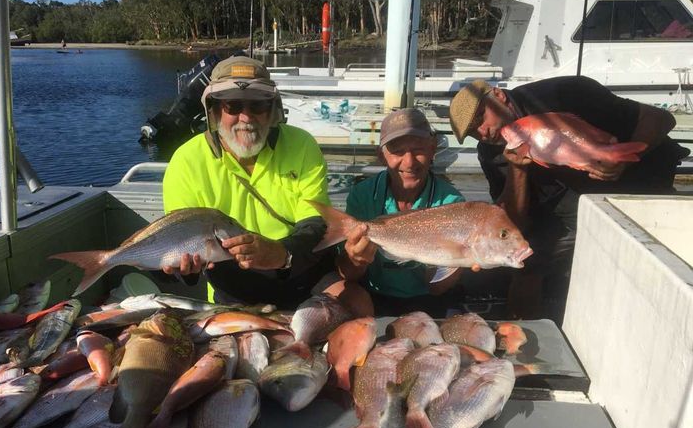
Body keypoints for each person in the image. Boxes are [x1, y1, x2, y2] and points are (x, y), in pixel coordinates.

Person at [449, 76, 689, 318]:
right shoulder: (490, 153)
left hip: (641, 189)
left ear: (498, 95)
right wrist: (518, 169)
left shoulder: (561, 93)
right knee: (525, 262)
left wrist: (623, 159)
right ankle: (525, 332)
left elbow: (661, 118)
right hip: (566, 212)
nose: (483, 132)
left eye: (480, 118)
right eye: (472, 133)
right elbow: (512, 222)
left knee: (655, 259)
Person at [162, 56, 370, 313]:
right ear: (214, 111)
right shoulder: (186, 160)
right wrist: (187, 271)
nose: (246, 117)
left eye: (258, 105)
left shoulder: (302, 145)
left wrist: (281, 254)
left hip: (304, 275)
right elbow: (181, 244)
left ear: (272, 110)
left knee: (358, 304)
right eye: (233, 105)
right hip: (233, 290)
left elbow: (315, 224)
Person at [336, 108, 466, 317]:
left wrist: (462, 258)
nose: (409, 162)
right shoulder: (362, 195)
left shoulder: (452, 203)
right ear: (382, 156)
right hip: (375, 294)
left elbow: (436, 287)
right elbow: (348, 274)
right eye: (397, 151)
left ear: (432, 149)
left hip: (427, 298)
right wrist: (356, 259)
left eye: (418, 150)